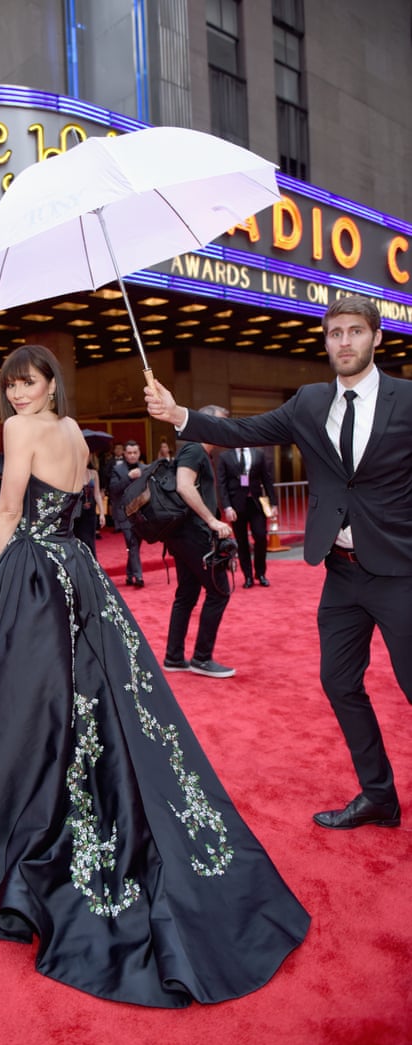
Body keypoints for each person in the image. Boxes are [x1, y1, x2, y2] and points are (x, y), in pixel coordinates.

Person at [0, 344, 309, 1008]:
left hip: (36, 573)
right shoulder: (75, 431)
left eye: (31, 381)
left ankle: (19, 826)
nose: (19, 394)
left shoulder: (22, 430)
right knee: (94, 701)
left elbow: (12, 508)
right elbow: (87, 506)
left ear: (52, 383)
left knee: (27, 704)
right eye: (11, 384)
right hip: (80, 571)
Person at [145, 293, 411, 831]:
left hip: (401, 572)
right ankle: (379, 794)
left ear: (376, 337)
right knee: (339, 682)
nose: (344, 342)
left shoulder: (407, 400)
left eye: (355, 331)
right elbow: (243, 430)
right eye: (335, 333)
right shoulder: (310, 402)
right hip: (340, 571)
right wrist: (179, 415)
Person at [163, 408, 236, 679]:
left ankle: (174, 656)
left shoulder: (197, 451)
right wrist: (212, 520)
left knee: (187, 594)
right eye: (221, 423)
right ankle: (201, 658)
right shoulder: (194, 450)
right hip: (194, 534)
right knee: (219, 591)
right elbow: (184, 485)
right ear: (208, 423)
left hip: (183, 534)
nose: (224, 429)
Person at [217, 445, 277, 588]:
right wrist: (227, 507)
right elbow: (222, 484)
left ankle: (260, 573)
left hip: (256, 503)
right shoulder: (225, 457)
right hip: (236, 506)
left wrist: (274, 503)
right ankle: (248, 576)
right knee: (242, 541)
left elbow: (267, 479)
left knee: (261, 536)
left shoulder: (259, 454)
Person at [108, 439, 145, 587]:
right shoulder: (118, 470)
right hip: (124, 513)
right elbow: (113, 489)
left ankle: (130, 575)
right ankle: (139, 576)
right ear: (124, 454)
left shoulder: (144, 468)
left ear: (139, 453)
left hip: (141, 514)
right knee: (132, 543)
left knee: (136, 544)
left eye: (135, 452)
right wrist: (128, 477)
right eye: (129, 453)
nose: (132, 455)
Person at [72, 457, 106, 555]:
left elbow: (97, 494)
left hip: (90, 512)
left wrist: (102, 513)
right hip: (77, 512)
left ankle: (92, 565)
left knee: (90, 540)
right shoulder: (73, 474)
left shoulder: (93, 473)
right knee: (78, 540)